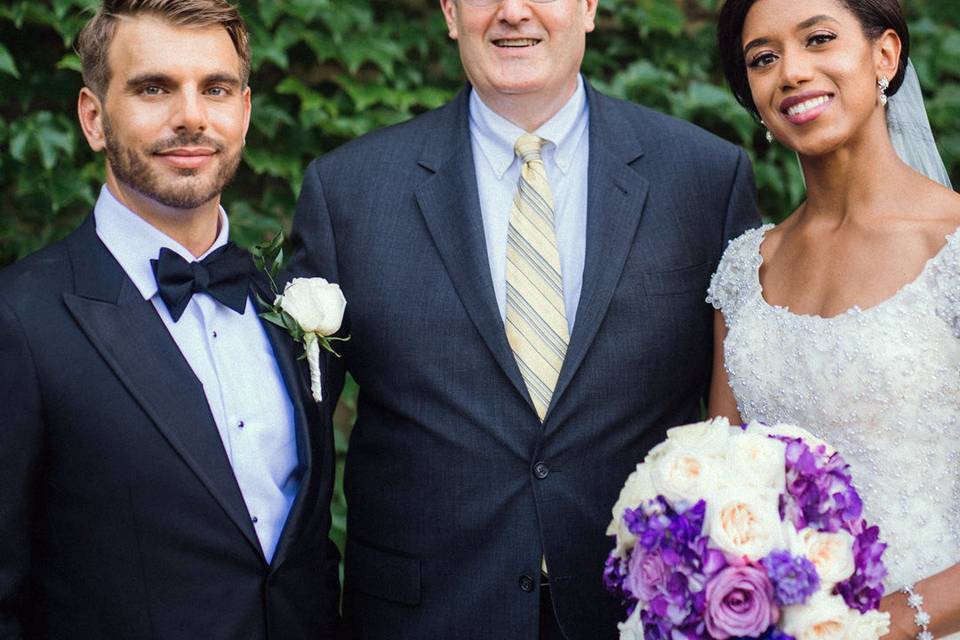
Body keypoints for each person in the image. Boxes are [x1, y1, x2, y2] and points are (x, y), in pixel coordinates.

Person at [289, 0, 758, 637]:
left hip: (636, 612)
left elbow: (748, 422)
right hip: (422, 617)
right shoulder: (348, 191)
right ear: (451, 12)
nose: (513, 12)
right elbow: (299, 449)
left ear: (589, 7)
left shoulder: (704, 179)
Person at [0, 1, 340, 638]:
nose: (191, 117)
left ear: (242, 112)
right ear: (94, 118)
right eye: (153, 88)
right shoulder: (19, 320)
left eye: (215, 89)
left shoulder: (290, 296)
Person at [709, 0, 960, 637]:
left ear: (885, 55)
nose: (791, 71)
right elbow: (719, 486)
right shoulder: (745, 272)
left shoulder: (952, 244)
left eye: (818, 39)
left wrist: (868, 628)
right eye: (763, 58)